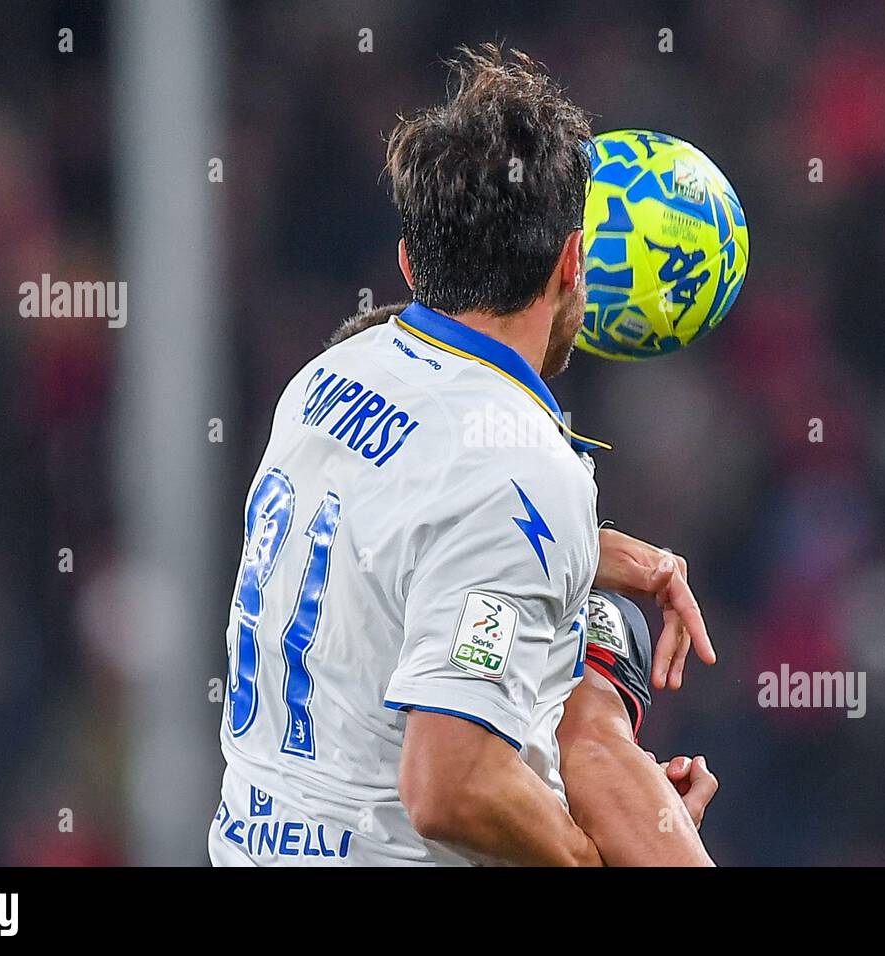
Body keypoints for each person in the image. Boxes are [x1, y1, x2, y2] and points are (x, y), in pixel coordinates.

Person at [209, 44, 714, 866]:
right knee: (599, 643)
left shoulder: (326, 376)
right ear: (574, 262)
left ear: (411, 263)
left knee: (590, 622)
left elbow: (404, 532)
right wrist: (605, 851)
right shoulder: (519, 471)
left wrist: (590, 553)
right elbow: (450, 788)